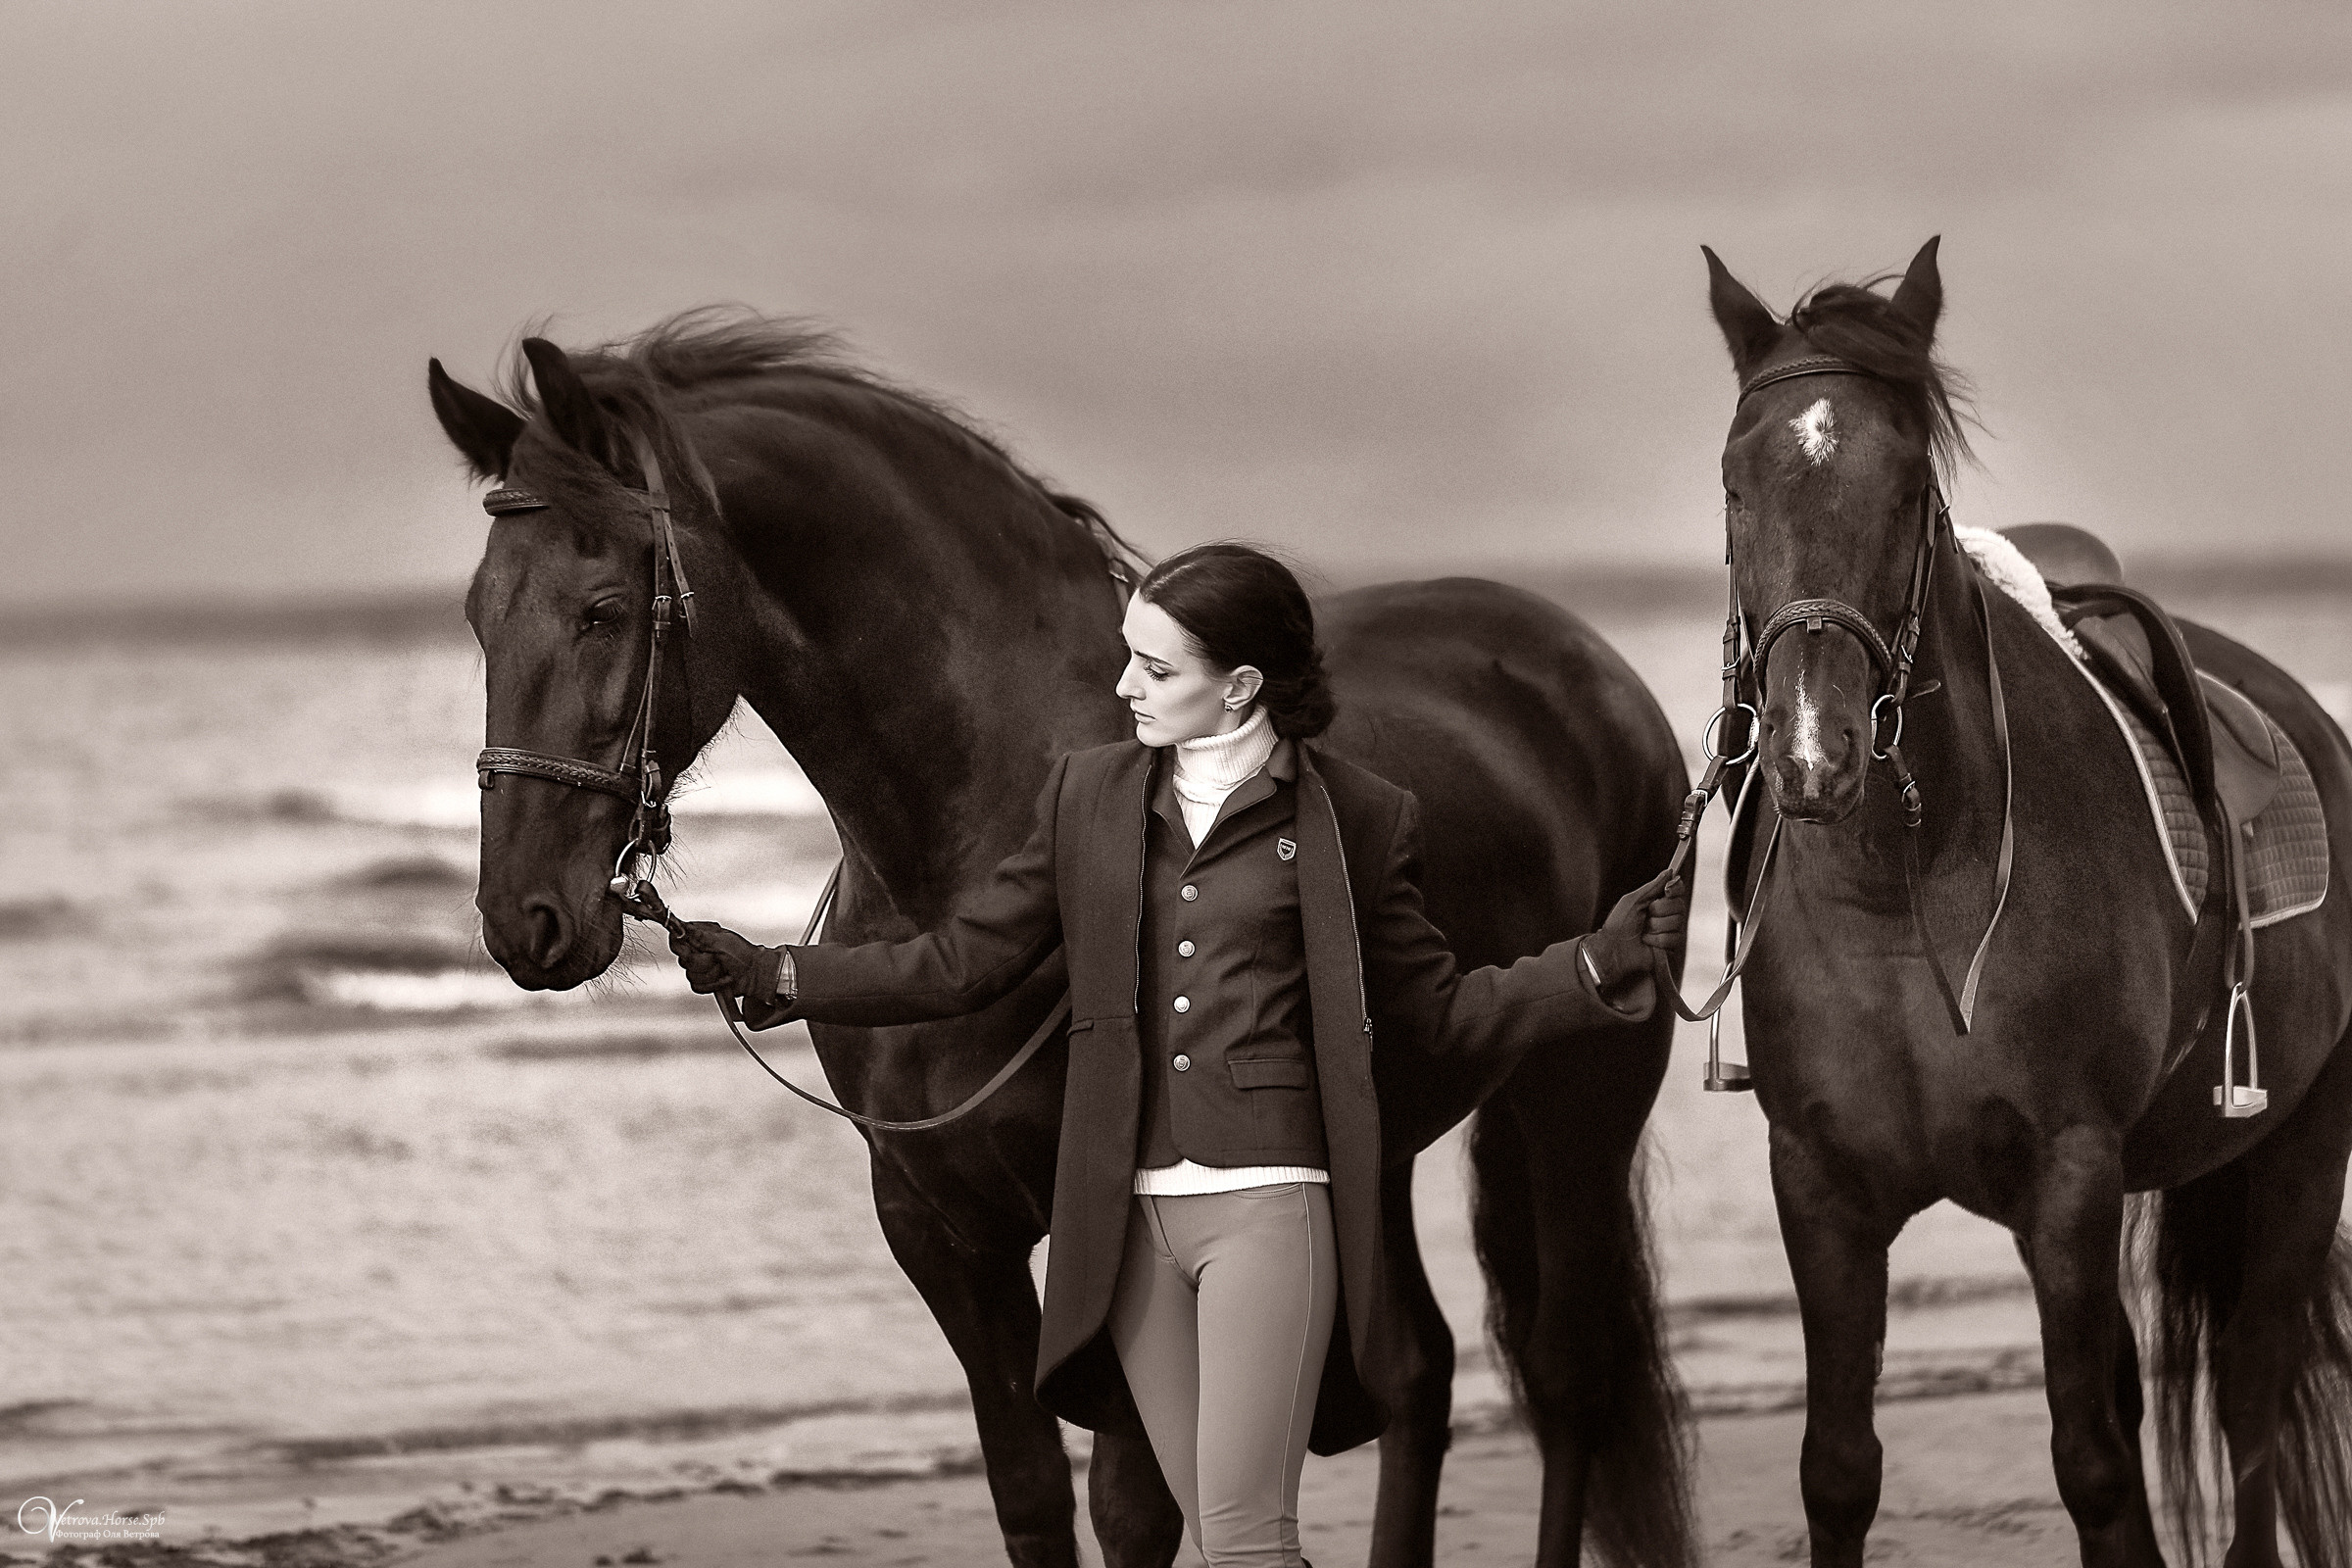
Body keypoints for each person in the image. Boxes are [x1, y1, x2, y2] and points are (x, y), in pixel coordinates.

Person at [667, 543, 1687, 1568]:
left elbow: (1435, 1013)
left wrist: (1591, 969)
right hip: (1131, 1228)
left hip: (1264, 1211)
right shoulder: (1089, 800)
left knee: (1240, 1524)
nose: (1122, 687)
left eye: (1155, 668)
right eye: (1128, 658)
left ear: (1239, 686)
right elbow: (964, 961)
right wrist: (785, 975)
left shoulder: (1361, 824)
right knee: (1191, 1515)